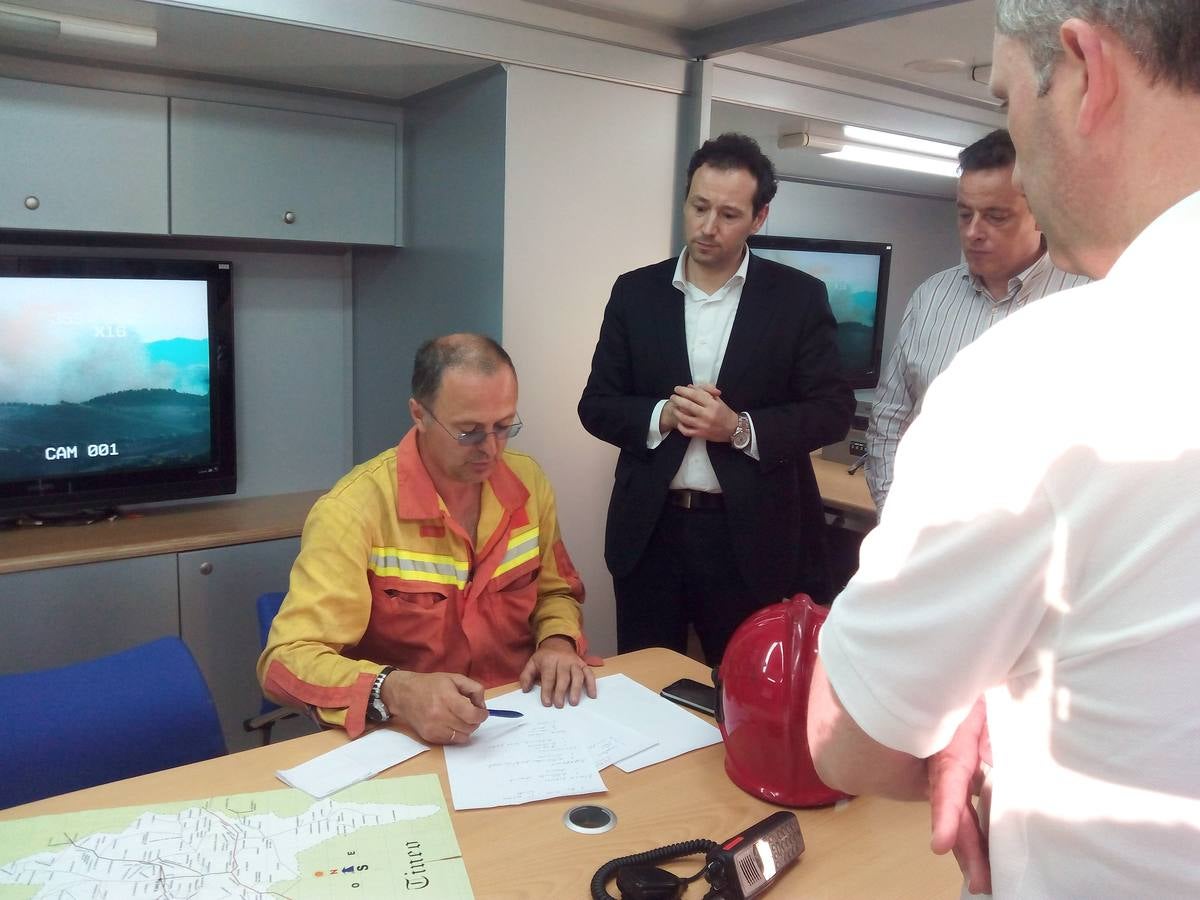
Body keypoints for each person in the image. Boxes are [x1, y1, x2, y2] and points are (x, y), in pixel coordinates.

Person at [809, 1, 1200, 897]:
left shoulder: (1041, 375)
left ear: (1085, 72)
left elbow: (846, 737)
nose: (1015, 150)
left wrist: (967, 694)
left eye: (1008, 100)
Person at [578, 132, 855, 662]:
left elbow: (833, 410)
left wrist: (739, 428)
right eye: (698, 206)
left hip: (749, 535)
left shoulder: (796, 298)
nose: (708, 227)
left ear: (759, 216)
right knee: (645, 680)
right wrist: (661, 415)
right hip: (652, 530)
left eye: (728, 214)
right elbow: (597, 404)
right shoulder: (635, 293)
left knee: (745, 688)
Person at [259, 334, 595, 744]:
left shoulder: (529, 481)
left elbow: (556, 592)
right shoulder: (353, 510)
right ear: (419, 414)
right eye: (469, 432)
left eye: (505, 427)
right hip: (406, 734)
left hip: (521, 719)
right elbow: (286, 661)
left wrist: (558, 643)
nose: (490, 449)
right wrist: (396, 690)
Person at [867, 128, 1088, 509]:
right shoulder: (931, 298)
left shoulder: (1089, 300)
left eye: (996, 217)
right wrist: (896, 517)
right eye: (965, 214)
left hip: (1040, 546)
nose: (973, 232)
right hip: (929, 532)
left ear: (1041, 213)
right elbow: (889, 421)